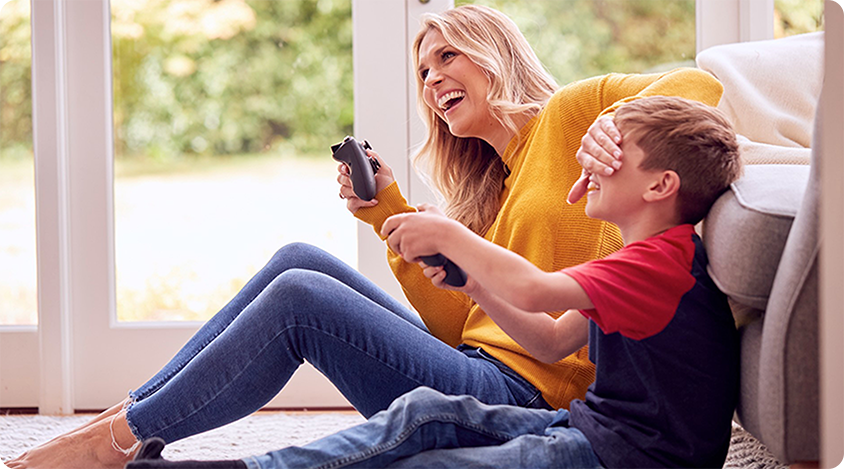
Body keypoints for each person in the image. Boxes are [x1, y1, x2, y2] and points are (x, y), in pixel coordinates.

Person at [4, 5, 723, 469]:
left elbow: (703, 89)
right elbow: (453, 327)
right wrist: (388, 216)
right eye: (422, 71)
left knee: (299, 299)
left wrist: (612, 130)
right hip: (481, 367)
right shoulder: (490, 190)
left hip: (535, 399)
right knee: (298, 261)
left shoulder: (573, 114)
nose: (433, 79)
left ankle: (111, 444)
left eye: (448, 57)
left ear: (493, 52)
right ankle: (124, 417)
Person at [125, 95, 743, 469]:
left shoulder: (657, 258)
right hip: (590, 427)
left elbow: (532, 290)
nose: (589, 162)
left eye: (611, 153)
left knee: (426, 459)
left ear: (660, 186)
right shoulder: (640, 255)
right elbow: (552, 339)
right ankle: (149, 428)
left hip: (624, 458)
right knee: (419, 412)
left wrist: (453, 238)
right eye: (423, 70)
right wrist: (473, 281)